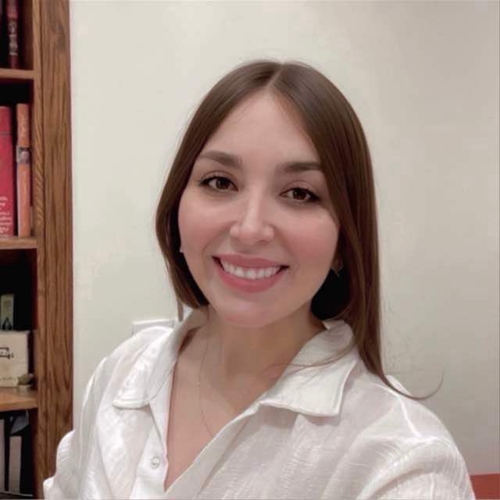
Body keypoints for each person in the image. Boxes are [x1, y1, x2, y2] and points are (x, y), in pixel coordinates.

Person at [44, 60, 475, 499]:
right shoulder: (123, 371)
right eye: (220, 182)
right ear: (177, 207)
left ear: (345, 241)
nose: (250, 229)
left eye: (300, 193)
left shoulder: (403, 462)